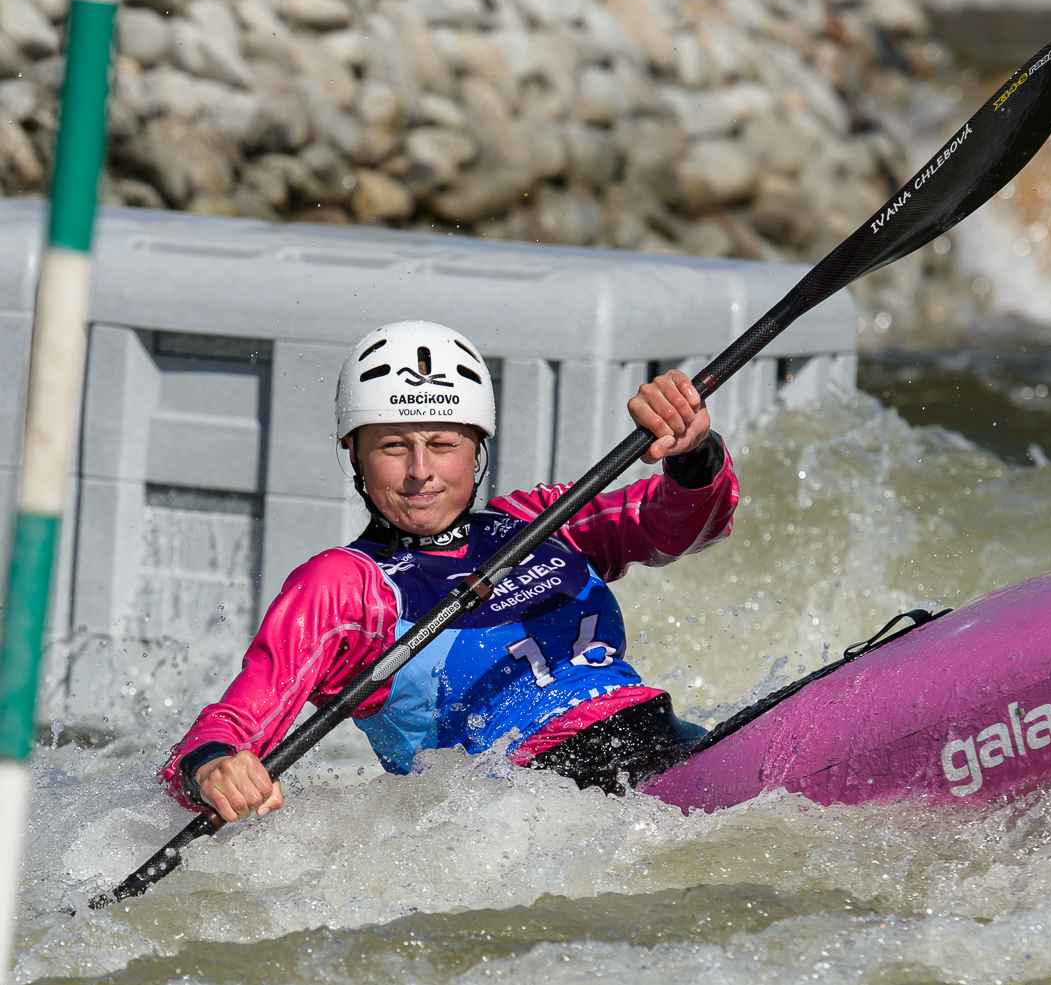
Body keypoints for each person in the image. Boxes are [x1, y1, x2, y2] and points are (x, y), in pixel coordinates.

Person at [160, 320, 738, 821]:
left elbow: (684, 523)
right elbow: (230, 723)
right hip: (534, 806)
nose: (419, 471)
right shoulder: (344, 586)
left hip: (659, 740)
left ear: (476, 449)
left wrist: (693, 451)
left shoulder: (538, 521)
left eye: (441, 443)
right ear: (355, 455)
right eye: (392, 446)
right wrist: (212, 769)